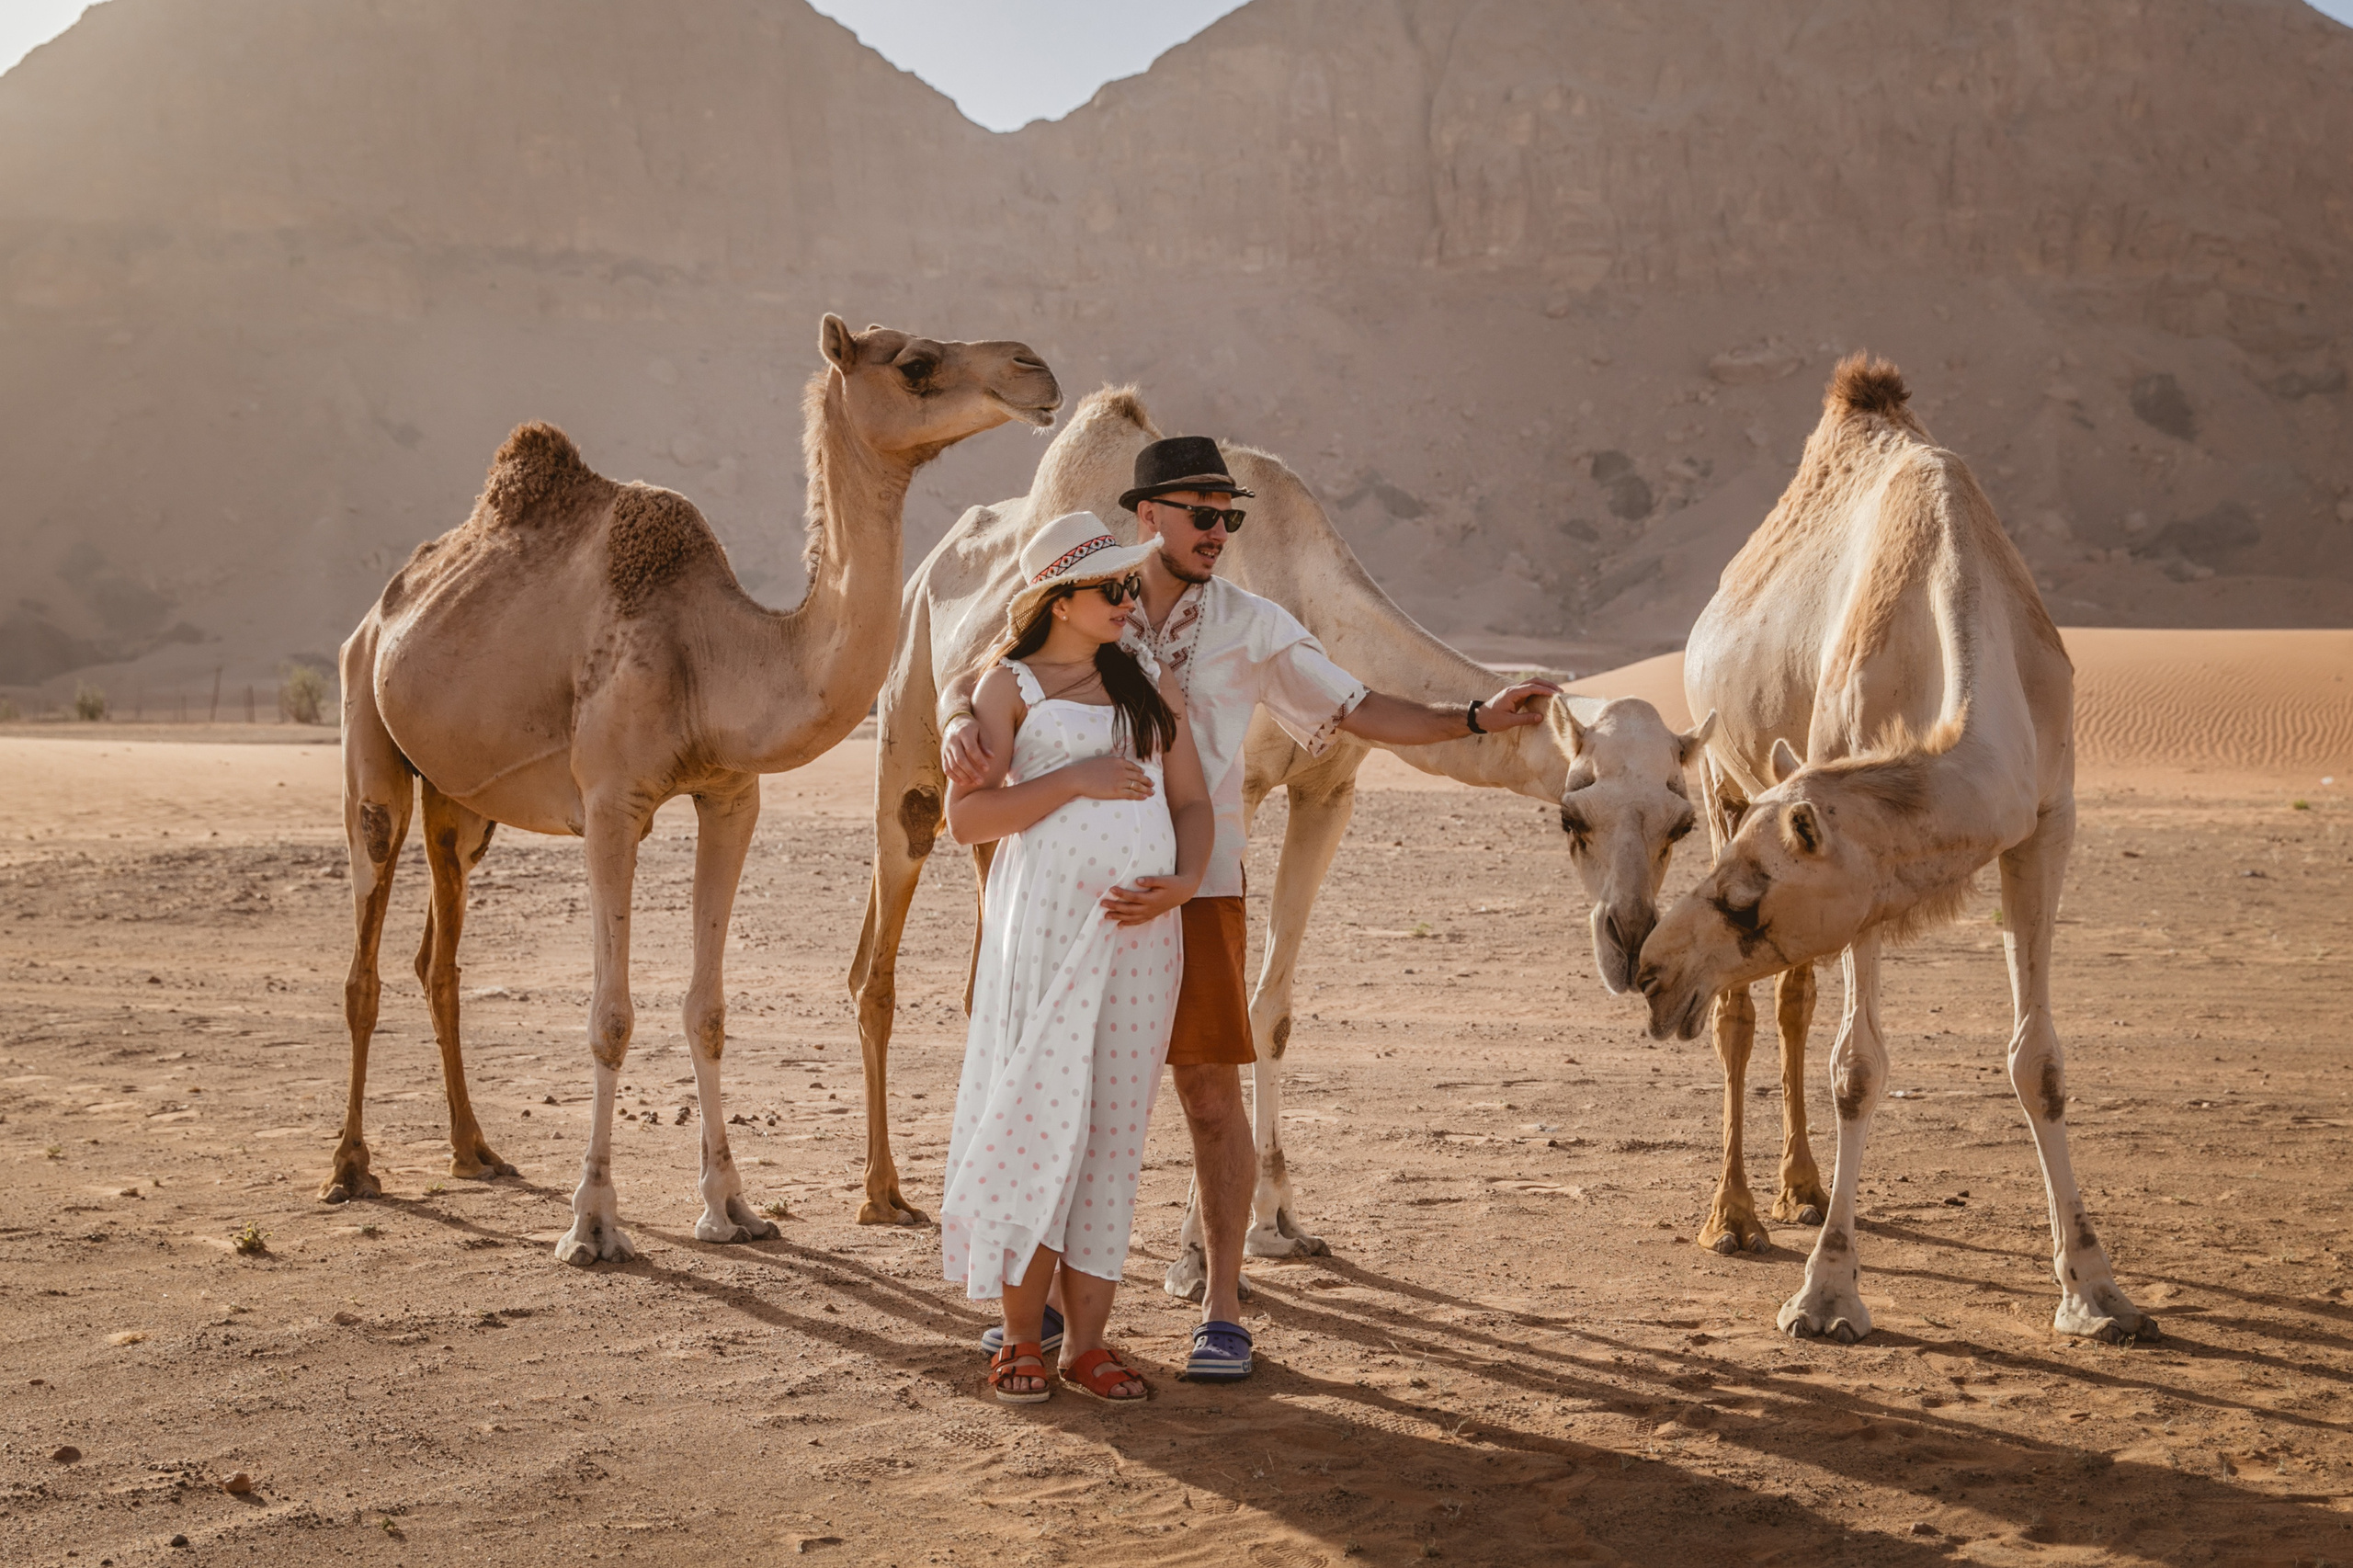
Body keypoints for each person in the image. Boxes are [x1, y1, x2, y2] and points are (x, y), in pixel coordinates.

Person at [943, 437, 1558, 1382]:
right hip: (1060, 902)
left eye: (1229, 516)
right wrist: (957, 722)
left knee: (1205, 1094)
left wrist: (1476, 716)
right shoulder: (1091, 598)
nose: (1219, 532)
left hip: (1198, 888)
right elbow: (992, 668)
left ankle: (1221, 1303)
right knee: (1054, 1091)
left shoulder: (1250, 624)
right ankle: (1043, 1312)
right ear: (1147, 516)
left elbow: (1357, 707)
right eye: (1202, 514)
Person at [940, 509, 1214, 1404]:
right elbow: (967, 820)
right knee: (1036, 1120)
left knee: (1110, 1134)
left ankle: (1087, 1346)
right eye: (1112, 587)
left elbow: (1190, 801)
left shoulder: (1146, 680)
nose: (1129, 599)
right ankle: (1021, 1339)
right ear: (1059, 600)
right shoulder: (1007, 685)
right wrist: (1071, 780)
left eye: (1131, 583)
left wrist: (1184, 882)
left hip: (1143, 939)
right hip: (1045, 936)